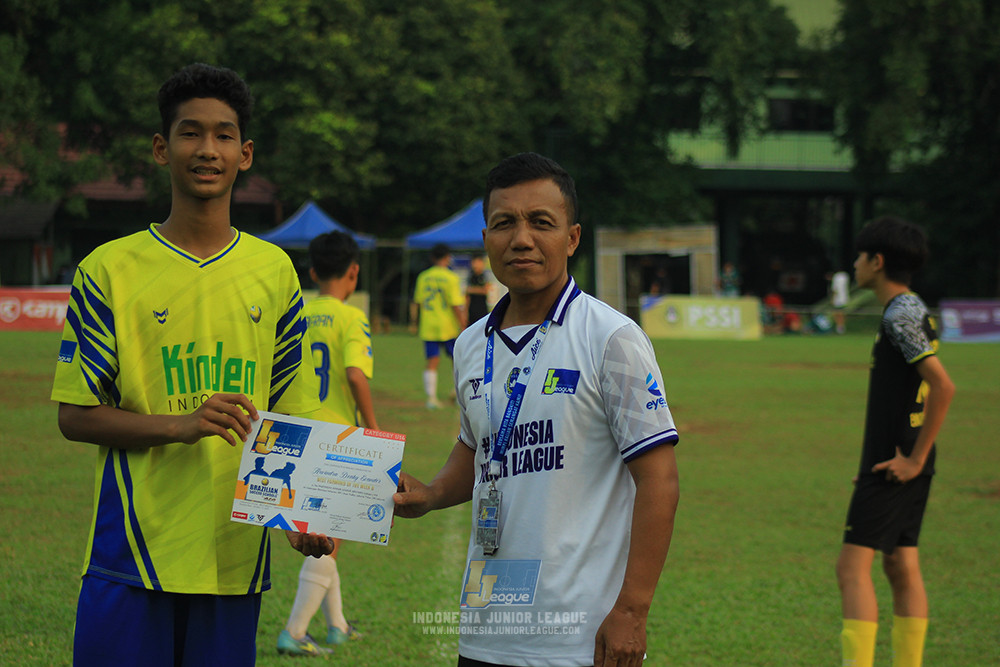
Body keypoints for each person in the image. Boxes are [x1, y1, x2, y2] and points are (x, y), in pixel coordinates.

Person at [50, 63, 334, 666]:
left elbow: (295, 410)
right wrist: (180, 425)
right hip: (129, 556)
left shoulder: (275, 271)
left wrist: (301, 512)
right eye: (190, 132)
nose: (208, 149)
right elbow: (75, 416)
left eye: (224, 135)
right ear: (162, 148)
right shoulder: (108, 269)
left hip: (233, 561)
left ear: (245, 153)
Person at [394, 152, 680, 667]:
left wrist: (633, 611)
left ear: (571, 238)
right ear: (486, 240)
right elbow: (478, 444)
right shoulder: (468, 345)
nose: (521, 239)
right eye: (504, 223)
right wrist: (433, 493)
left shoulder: (610, 338)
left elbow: (659, 480)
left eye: (540, 223)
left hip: (578, 636)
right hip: (486, 628)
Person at [835, 216, 955, 667]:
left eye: (860, 256)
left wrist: (913, 459)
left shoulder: (898, 315)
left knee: (851, 570)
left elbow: (942, 387)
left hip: (899, 463)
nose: (855, 263)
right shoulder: (915, 308)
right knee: (901, 565)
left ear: (877, 261)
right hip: (900, 459)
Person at [277, 231, 370, 656]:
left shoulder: (295, 315)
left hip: (298, 433)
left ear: (312, 272)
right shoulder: (350, 317)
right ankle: (294, 633)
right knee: (328, 541)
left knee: (326, 534)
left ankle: (336, 625)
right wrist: (374, 432)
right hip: (338, 439)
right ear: (353, 272)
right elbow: (354, 374)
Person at [411, 242, 467, 408]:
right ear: (447, 257)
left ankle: (431, 398)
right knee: (456, 361)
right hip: (447, 325)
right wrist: (463, 324)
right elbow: (455, 304)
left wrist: (414, 323)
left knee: (431, 361)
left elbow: (417, 301)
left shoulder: (423, 276)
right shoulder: (451, 277)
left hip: (428, 325)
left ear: (432, 258)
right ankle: (458, 396)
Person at [466, 252, 490, 324]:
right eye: (473, 263)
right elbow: (467, 294)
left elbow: (485, 290)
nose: (474, 265)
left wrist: (471, 290)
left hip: (482, 309)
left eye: (476, 263)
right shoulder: (471, 276)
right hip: (472, 310)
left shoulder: (484, 275)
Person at [830, 269, 851, 334]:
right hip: (845, 298)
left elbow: (835, 289)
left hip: (838, 300)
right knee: (842, 314)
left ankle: (839, 328)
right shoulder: (845, 276)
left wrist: (832, 299)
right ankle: (841, 328)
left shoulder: (836, 277)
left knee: (837, 314)